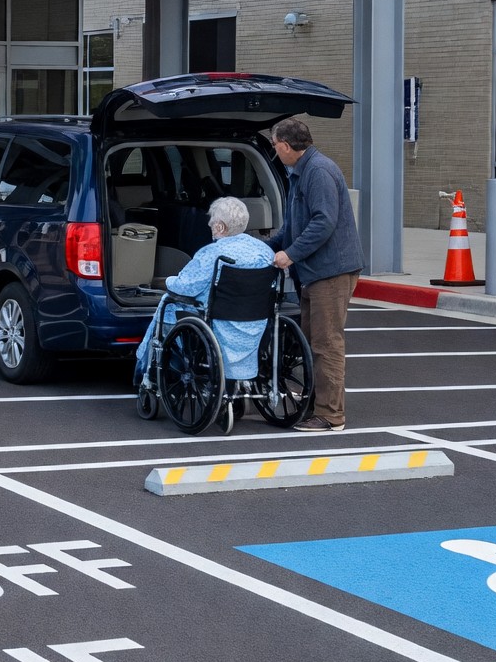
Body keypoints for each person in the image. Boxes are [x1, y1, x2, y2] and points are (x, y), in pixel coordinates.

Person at [265, 118, 360, 431]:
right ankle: (317, 406)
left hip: (330, 271)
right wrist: (264, 247)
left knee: (326, 344)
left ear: (289, 146)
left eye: (276, 147)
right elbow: (294, 226)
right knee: (311, 343)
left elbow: (323, 222)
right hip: (316, 272)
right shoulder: (301, 172)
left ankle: (331, 416)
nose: (276, 153)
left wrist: (290, 254)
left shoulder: (317, 172)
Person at [134, 196, 273, 388]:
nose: (209, 225)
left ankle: (152, 370)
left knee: (168, 303)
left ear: (220, 227)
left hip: (220, 325)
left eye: (212, 222)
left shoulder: (212, 253)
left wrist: (167, 280)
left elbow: (185, 286)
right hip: (255, 323)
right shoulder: (264, 252)